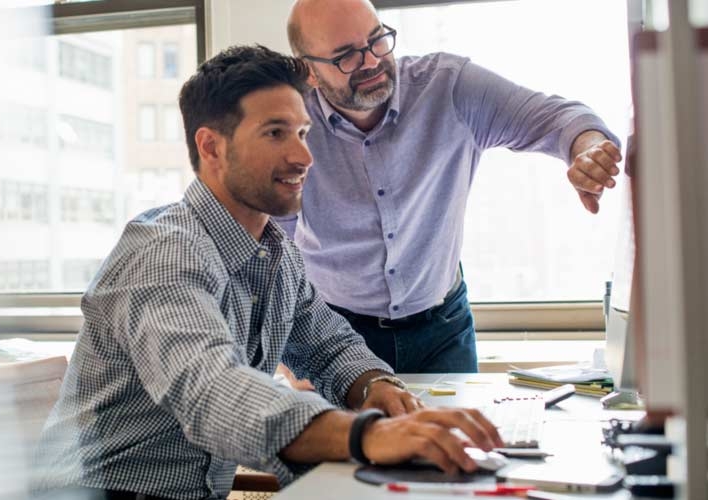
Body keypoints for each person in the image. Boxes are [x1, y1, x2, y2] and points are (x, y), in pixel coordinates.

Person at [33, 45, 503, 500]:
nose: (304, 158)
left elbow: (329, 346)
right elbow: (213, 393)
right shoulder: (164, 253)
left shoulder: (276, 253)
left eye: (302, 133)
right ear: (211, 147)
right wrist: (369, 434)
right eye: (276, 133)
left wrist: (377, 389)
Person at [283, 0, 624, 374]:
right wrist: (292, 349)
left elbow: (558, 118)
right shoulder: (289, 125)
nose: (370, 61)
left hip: (442, 332)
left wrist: (589, 150)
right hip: (336, 334)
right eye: (346, 56)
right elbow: (272, 247)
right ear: (309, 73)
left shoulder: (447, 88)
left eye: (377, 40)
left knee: (460, 434)